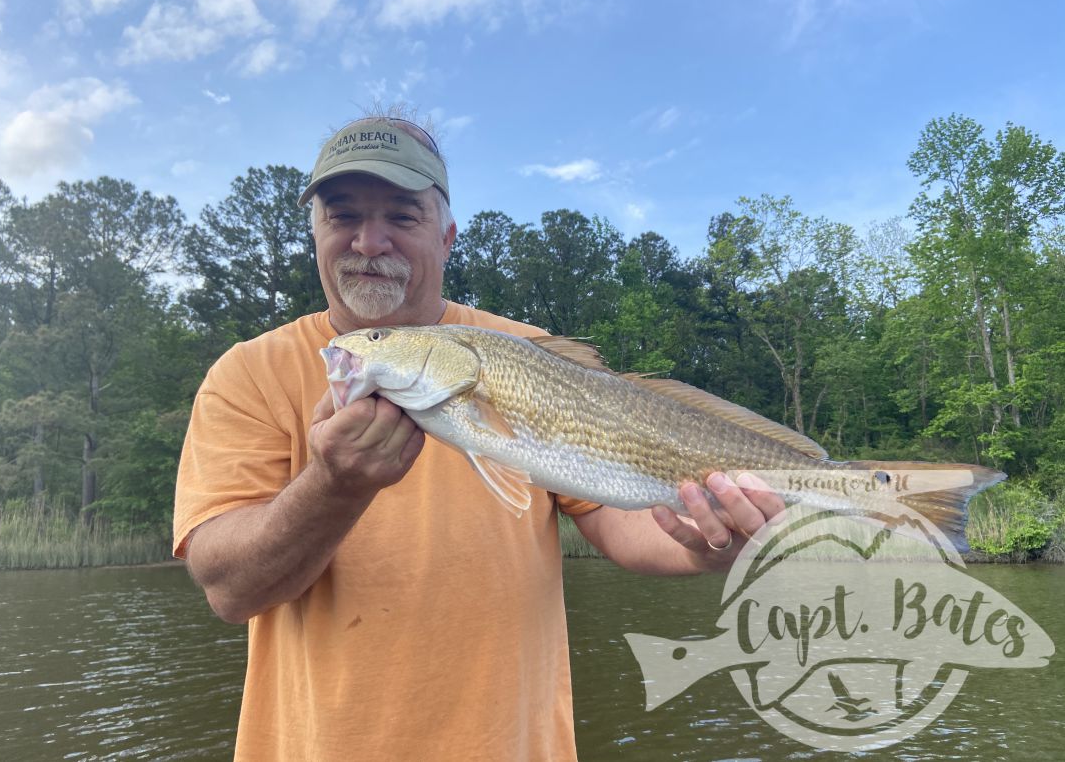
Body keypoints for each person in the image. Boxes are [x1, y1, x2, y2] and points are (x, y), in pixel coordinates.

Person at [173, 114, 783, 761]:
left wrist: (706, 545)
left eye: (402, 217)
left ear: (448, 236)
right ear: (316, 232)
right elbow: (228, 587)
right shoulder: (246, 373)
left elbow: (615, 513)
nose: (367, 241)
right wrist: (333, 486)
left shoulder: (526, 353)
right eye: (342, 215)